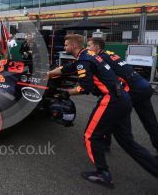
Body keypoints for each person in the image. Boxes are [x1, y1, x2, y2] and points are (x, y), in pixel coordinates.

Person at [47, 34, 158, 188]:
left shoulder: (84, 60)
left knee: (90, 136)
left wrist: (66, 93)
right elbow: (68, 68)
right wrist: (48, 74)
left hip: (112, 100)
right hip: (124, 97)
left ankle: (102, 174)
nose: (64, 48)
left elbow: (86, 87)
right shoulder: (89, 55)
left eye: (65, 45)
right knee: (128, 143)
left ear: (73, 46)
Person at [87, 37, 158, 155]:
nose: (87, 48)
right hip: (144, 86)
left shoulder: (100, 58)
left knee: (109, 112)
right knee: (150, 121)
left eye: (89, 46)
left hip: (132, 89)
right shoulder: (109, 54)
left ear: (97, 47)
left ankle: (107, 143)